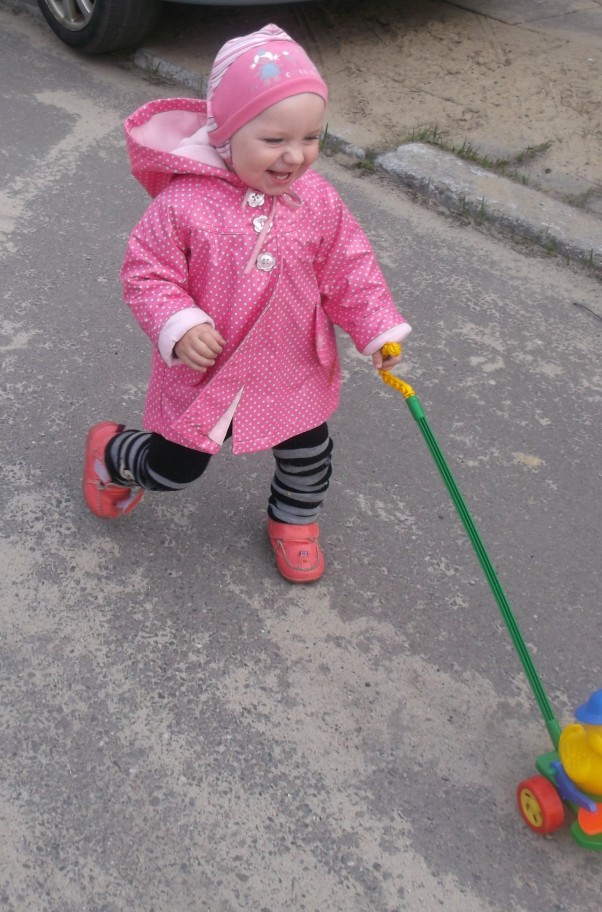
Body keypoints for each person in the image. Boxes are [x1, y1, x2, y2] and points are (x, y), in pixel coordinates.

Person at [83, 23, 411, 583]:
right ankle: (114, 455)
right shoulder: (184, 204)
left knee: (308, 449)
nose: (295, 156)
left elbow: (349, 269)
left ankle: (295, 520)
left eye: (311, 138)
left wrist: (376, 328)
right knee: (175, 468)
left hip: (291, 365)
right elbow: (148, 272)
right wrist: (179, 324)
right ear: (225, 133)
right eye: (274, 139)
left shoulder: (319, 201)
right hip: (208, 372)